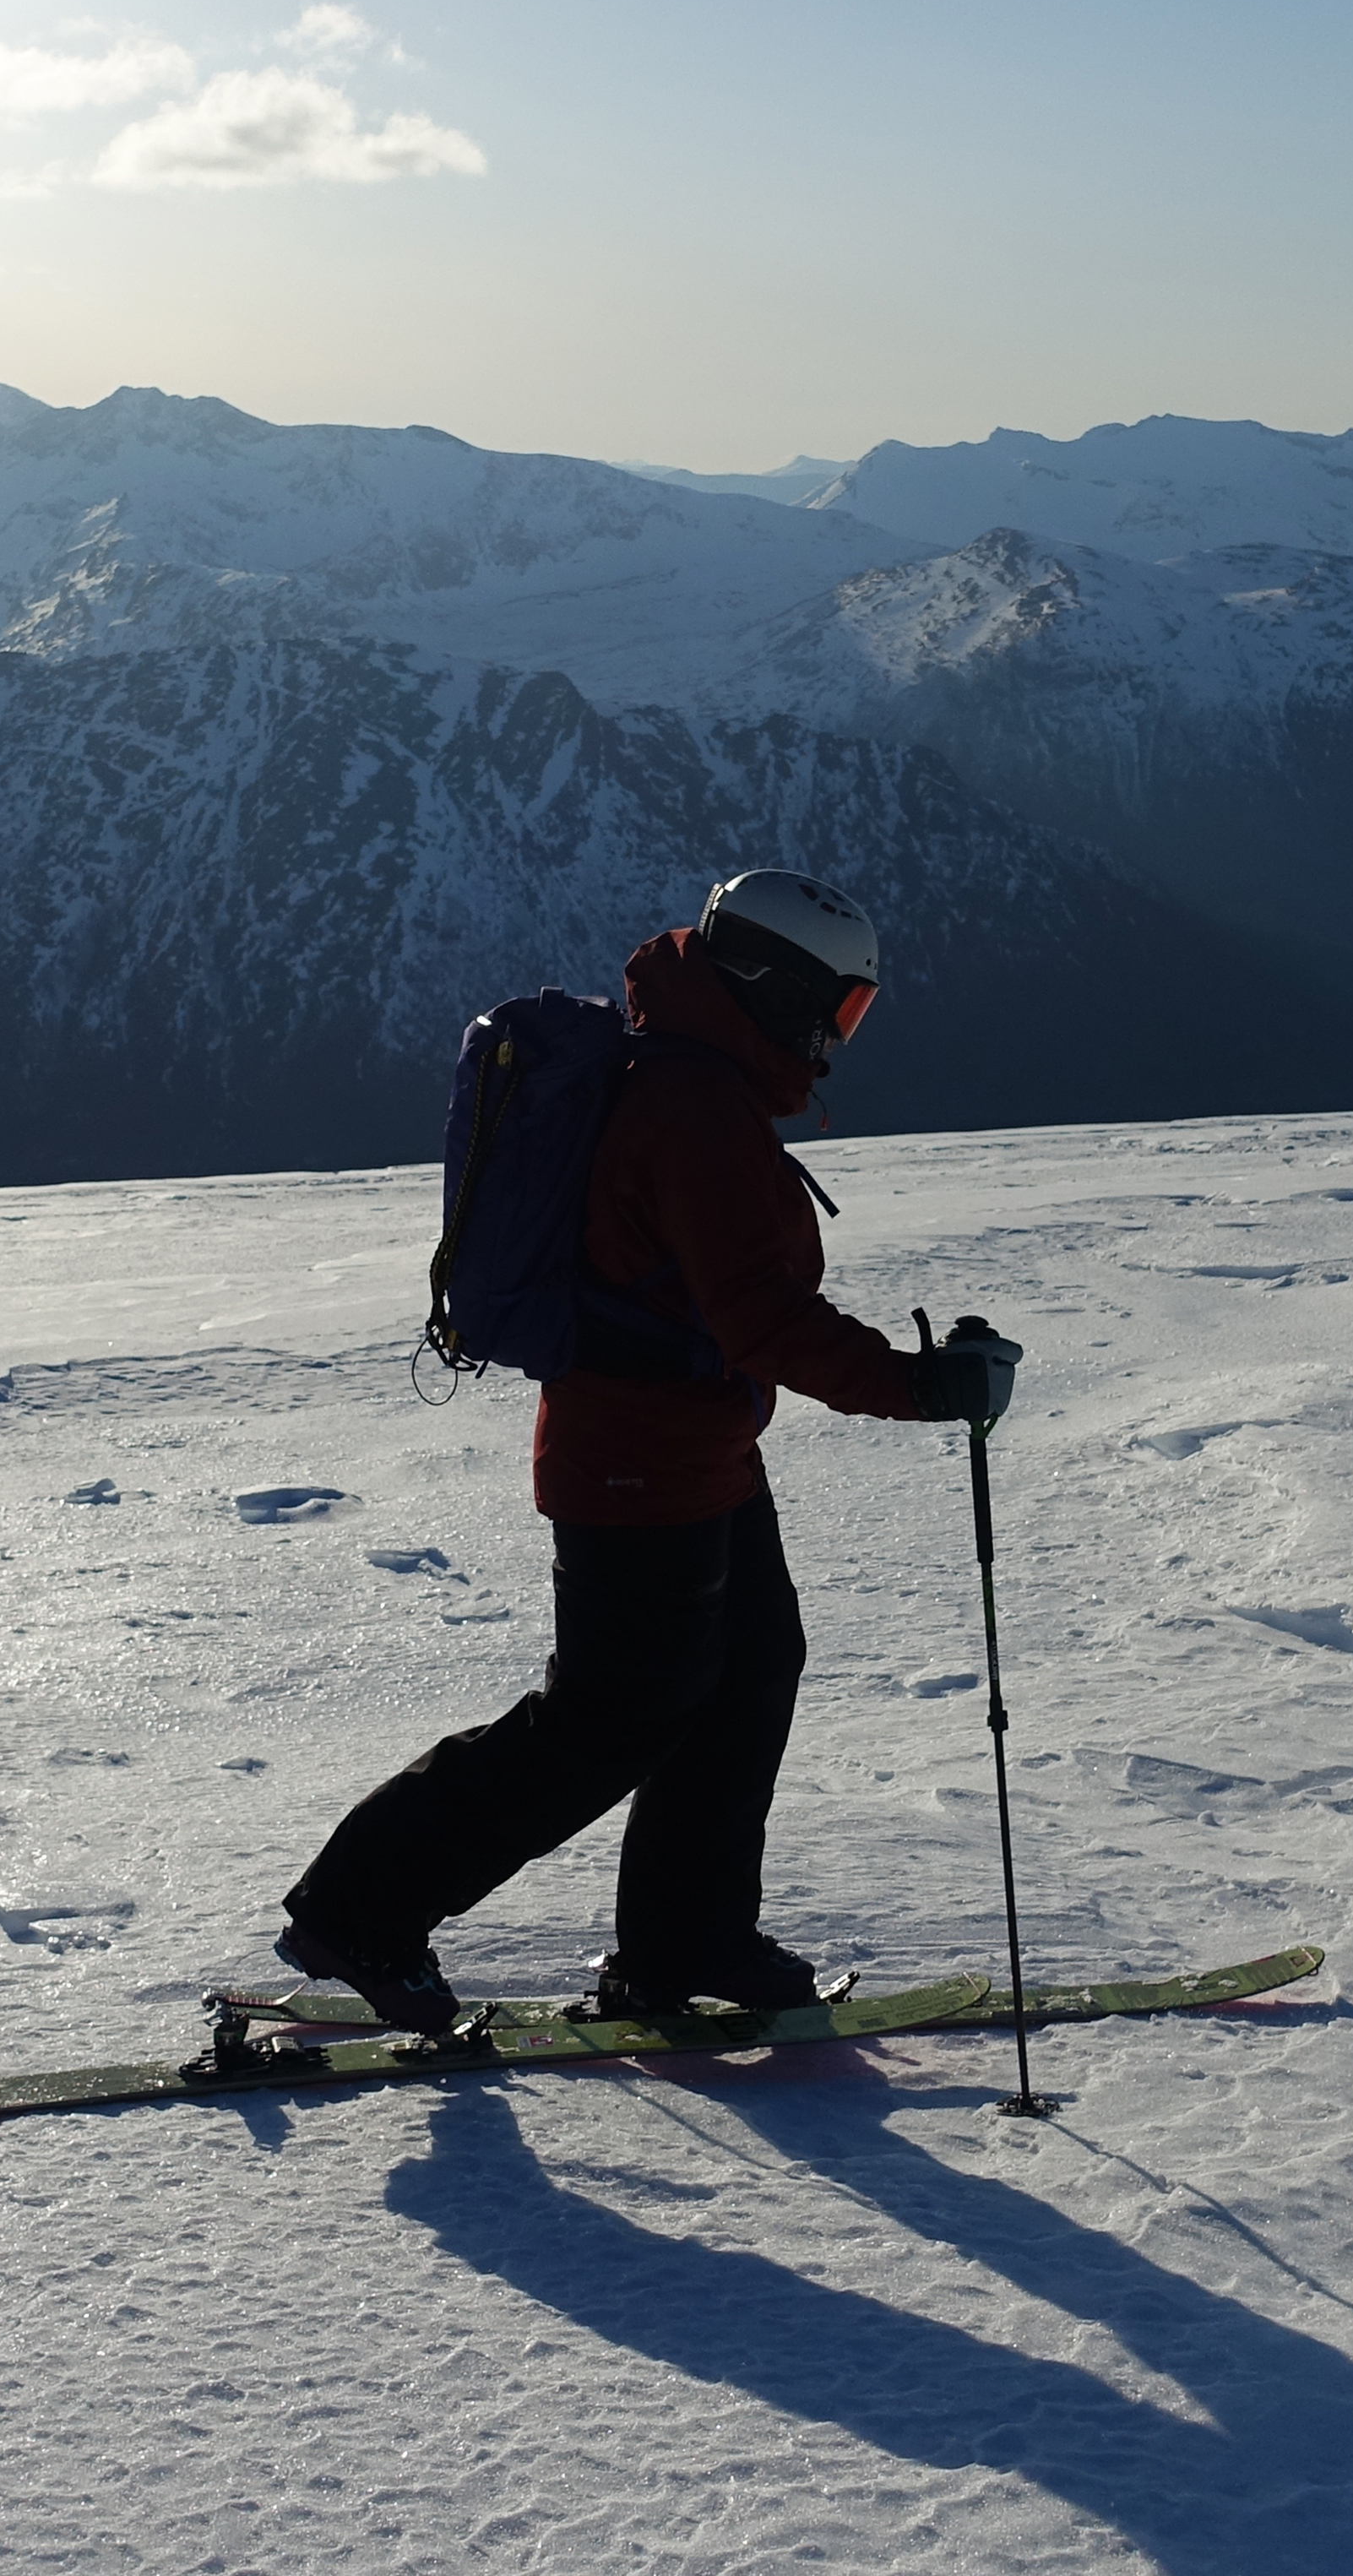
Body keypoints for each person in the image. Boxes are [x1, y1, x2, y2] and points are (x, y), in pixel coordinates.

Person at [277, 868, 1022, 2036]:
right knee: (610, 1717)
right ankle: (359, 1909)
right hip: (634, 1461)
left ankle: (686, 1939)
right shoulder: (692, 1111)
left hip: (700, 1445)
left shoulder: (699, 1081)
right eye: (840, 1007)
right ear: (774, 989)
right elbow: (760, 1318)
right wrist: (925, 1387)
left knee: (746, 1671)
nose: (839, 1037)